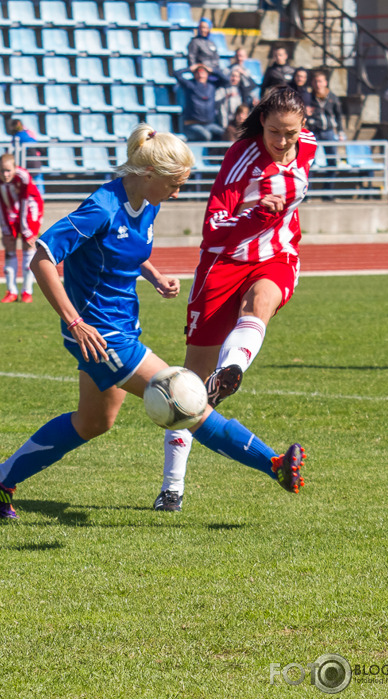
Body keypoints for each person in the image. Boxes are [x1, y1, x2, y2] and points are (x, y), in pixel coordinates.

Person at [0, 123, 306, 520]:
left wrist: (153, 274)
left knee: (93, 421)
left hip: (121, 326)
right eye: (174, 184)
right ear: (150, 174)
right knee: (187, 400)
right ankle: (273, 464)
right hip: (101, 335)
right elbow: (42, 257)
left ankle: (1, 477)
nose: (177, 193)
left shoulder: (148, 201)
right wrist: (75, 321)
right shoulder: (102, 206)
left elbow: (124, 247)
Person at [154, 86, 314, 511]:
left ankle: (233, 368)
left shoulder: (308, 148)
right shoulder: (239, 159)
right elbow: (214, 230)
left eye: (292, 134)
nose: (283, 142)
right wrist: (258, 213)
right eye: (276, 132)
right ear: (262, 121)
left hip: (276, 255)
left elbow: (295, 189)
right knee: (188, 386)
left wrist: (275, 222)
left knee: (262, 300)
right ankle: (172, 486)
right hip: (223, 264)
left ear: (304, 126)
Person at [0, 153, 44, 303]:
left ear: (15, 169)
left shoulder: (23, 177)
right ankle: (11, 291)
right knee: (9, 244)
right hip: (10, 210)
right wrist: (4, 227)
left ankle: (27, 291)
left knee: (28, 244)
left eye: (8, 171)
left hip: (29, 209)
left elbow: (26, 201)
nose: (5, 175)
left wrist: (27, 229)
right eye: (2, 171)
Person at [306, 70, 345, 199]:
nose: (318, 84)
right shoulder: (309, 97)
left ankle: (328, 191)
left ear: (325, 83)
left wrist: (340, 131)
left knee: (332, 161)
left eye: (321, 81)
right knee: (309, 161)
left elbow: (339, 115)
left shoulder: (332, 97)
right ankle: (308, 193)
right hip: (315, 131)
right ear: (312, 83)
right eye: (316, 82)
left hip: (328, 131)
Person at [174, 63, 229, 141]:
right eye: (198, 72)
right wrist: (189, 69)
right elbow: (176, 74)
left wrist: (212, 70)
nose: (200, 74)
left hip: (209, 124)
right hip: (192, 124)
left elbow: (226, 80)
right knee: (206, 136)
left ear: (207, 74)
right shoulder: (190, 84)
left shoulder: (212, 85)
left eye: (203, 72)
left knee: (226, 135)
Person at [8, 117, 44, 196]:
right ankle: (39, 198)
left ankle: (35, 197)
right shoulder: (26, 134)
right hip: (33, 162)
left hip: (27, 162)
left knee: (30, 181)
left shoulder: (17, 137)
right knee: (37, 181)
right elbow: (38, 146)